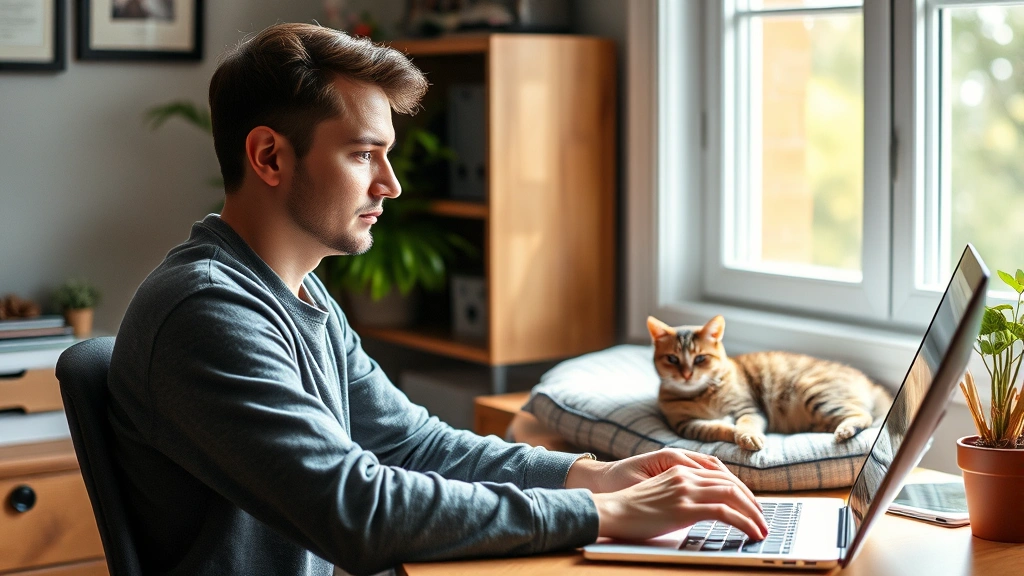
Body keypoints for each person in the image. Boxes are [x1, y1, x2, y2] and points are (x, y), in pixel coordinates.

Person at [106, 22, 768, 576]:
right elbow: (356, 511)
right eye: (364, 155)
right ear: (270, 158)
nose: (390, 185)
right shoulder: (207, 312)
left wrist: (596, 476)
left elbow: (412, 446)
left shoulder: (295, 293)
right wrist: (605, 515)